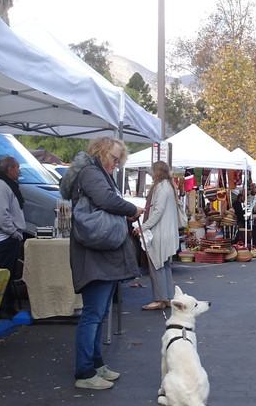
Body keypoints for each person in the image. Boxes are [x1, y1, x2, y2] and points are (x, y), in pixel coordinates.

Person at [66, 137, 143, 390]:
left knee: (99, 314)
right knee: (93, 314)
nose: (116, 164)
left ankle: (96, 364)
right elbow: (106, 201)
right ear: (101, 152)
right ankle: (85, 372)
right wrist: (132, 208)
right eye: (114, 158)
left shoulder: (95, 171)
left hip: (100, 253)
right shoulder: (90, 172)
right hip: (94, 254)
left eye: (119, 160)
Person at [134, 160, 180, 311]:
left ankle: (159, 299)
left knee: (157, 264)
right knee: (164, 265)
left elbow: (157, 212)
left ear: (157, 171)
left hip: (161, 232)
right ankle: (167, 297)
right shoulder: (169, 186)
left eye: (152, 171)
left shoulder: (161, 187)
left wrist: (143, 227)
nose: (151, 173)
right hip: (168, 232)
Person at [0, 156, 27, 320]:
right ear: (10, 169)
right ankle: (2, 308)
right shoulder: (1, 186)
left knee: (10, 274)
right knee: (4, 274)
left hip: (10, 236)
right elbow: (1, 214)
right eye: (17, 168)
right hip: (4, 238)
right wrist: (12, 232)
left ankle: (8, 306)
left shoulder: (7, 185)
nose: (19, 171)